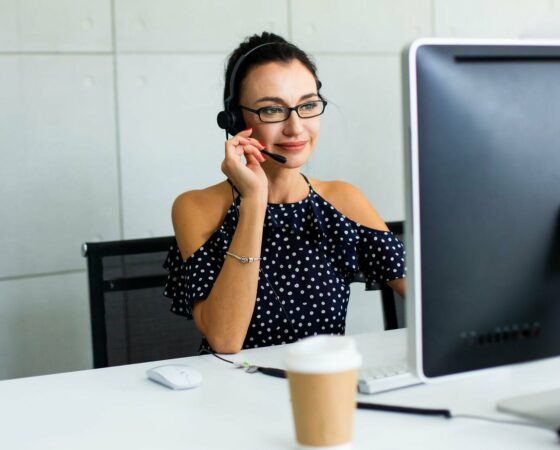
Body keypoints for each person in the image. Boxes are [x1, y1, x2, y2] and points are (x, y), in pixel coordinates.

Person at [164, 32, 406, 354]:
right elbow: (225, 339)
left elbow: (430, 301)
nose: (295, 128)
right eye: (272, 111)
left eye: (307, 105)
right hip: (230, 392)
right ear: (235, 119)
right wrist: (253, 201)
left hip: (318, 389)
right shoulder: (195, 207)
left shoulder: (343, 201)